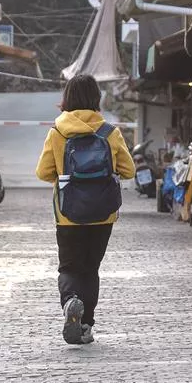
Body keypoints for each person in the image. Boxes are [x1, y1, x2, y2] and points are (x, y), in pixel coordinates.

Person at [36, 74, 135, 345]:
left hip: (67, 214)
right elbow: (128, 170)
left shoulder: (57, 132)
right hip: (103, 213)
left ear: (66, 98)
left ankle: (70, 301)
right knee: (91, 269)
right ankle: (86, 326)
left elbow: (43, 172)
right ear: (96, 98)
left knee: (69, 267)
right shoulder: (110, 132)